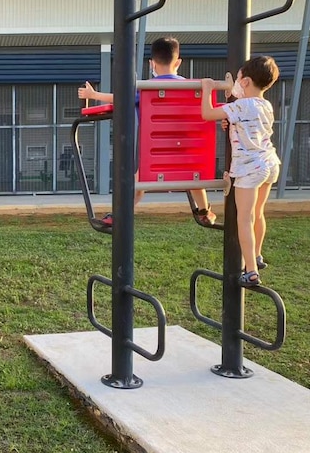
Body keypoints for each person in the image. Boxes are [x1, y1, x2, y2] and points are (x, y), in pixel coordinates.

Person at [78, 36, 217, 226]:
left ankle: (119, 215)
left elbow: (120, 98)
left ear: (151, 63)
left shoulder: (147, 89)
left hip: (155, 156)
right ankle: (205, 211)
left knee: (136, 183)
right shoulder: (192, 88)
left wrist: (93, 95)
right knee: (195, 178)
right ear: (178, 62)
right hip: (187, 155)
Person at [200, 55, 281, 287]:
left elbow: (207, 114)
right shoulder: (266, 105)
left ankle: (251, 271)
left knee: (243, 219)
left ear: (245, 81)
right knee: (258, 212)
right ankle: (257, 254)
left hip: (249, 168)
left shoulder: (241, 105)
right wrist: (230, 121)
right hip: (269, 163)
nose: (235, 82)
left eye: (237, 78)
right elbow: (247, 126)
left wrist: (207, 89)